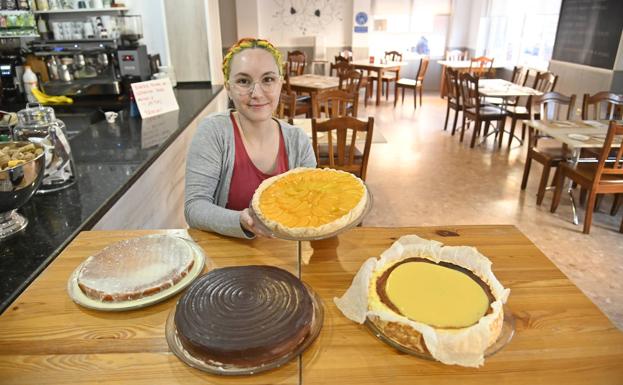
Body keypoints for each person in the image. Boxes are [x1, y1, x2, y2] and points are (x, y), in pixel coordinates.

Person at [184, 38, 316, 239]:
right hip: (229, 258)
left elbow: (311, 203)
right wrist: (241, 221)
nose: (257, 93)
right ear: (228, 87)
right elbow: (194, 208)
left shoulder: (298, 141)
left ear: (280, 83)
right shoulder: (213, 132)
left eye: (268, 79)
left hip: (286, 255)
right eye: (244, 81)